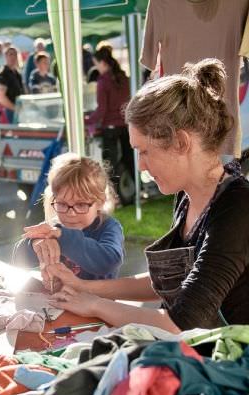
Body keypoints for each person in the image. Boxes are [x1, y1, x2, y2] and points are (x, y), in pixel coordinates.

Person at [49, 58, 249, 332]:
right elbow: (167, 282)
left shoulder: (237, 209)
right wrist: (85, 287)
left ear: (180, 142)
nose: (141, 166)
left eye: (144, 151)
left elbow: (179, 323)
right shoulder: (188, 196)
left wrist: (94, 304)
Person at [14, 153, 124, 291]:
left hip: (96, 307)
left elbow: (109, 261)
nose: (70, 213)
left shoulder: (109, 227)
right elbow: (18, 259)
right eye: (62, 204)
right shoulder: (55, 226)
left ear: (100, 202)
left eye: (81, 205)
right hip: (58, 304)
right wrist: (35, 244)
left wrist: (62, 237)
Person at [86, 45, 134, 199]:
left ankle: (114, 198)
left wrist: (87, 120)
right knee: (129, 161)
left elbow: (102, 110)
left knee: (110, 166)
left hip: (111, 128)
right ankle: (132, 194)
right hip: (126, 126)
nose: (96, 67)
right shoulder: (124, 78)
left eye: (96, 63)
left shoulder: (103, 81)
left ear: (103, 63)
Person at [0, 47, 23, 124]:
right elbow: (0, 97)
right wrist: (15, 108)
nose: (13, 57)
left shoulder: (17, 74)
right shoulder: (3, 74)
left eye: (15, 54)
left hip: (17, 111)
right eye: (10, 54)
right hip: (7, 112)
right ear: (5, 56)